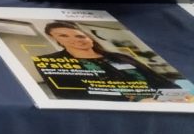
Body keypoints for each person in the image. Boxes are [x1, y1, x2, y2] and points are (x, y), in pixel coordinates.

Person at [33, 21, 184, 101]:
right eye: (63, 36)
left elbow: (160, 81)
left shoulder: (121, 57)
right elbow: (69, 93)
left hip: (161, 101)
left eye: (80, 36)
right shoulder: (49, 61)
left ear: (90, 38)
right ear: (55, 39)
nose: (76, 40)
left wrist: (177, 95)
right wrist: (136, 101)